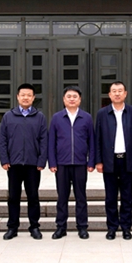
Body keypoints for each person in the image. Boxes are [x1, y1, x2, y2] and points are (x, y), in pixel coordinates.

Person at [0, 83, 47, 241]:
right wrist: (4, 159)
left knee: (33, 196)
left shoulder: (39, 117)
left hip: (33, 164)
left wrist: (41, 160)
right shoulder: (8, 116)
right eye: (23, 95)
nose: (26, 98)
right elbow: (3, 140)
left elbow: (44, 140)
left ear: (33, 98)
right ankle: (12, 227)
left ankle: (34, 227)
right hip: (14, 164)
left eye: (29, 95)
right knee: (13, 197)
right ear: (18, 97)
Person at [95, 81, 132, 240]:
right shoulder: (102, 113)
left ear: (125, 93)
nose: (117, 93)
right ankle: (112, 227)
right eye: (114, 91)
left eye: (120, 91)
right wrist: (99, 161)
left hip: (127, 160)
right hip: (109, 160)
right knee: (111, 197)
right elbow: (98, 139)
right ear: (109, 94)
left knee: (127, 197)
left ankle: (126, 227)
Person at [48, 86, 95, 240]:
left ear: (80, 100)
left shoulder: (86, 118)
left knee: (81, 197)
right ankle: (61, 227)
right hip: (62, 164)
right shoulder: (57, 118)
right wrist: (52, 162)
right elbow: (51, 141)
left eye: (75, 96)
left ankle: (82, 227)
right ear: (64, 99)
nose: (72, 99)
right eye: (69, 96)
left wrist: (91, 161)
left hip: (80, 163)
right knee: (62, 197)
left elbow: (92, 141)